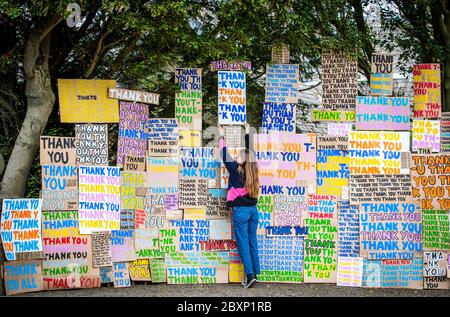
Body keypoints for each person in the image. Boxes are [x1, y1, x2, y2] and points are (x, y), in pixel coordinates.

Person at [217, 122, 260, 288]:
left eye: (240, 155)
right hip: (253, 211)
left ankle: (249, 276)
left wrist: (221, 135)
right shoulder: (253, 170)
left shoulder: (236, 170)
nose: (237, 156)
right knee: (252, 241)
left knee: (243, 242)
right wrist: (248, 132)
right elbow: (251, 152)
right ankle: (255, 273)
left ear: (242, 160)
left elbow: (224, 153)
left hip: (241, 212)